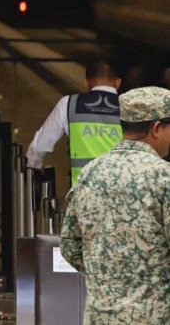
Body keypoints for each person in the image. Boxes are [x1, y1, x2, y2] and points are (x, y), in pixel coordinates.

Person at [59, 87, 170, 325]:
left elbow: (69, 245)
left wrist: (108, 277)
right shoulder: (164, 177)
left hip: (100, 316)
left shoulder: (90, 173)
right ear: (156, 128)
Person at [25, 59, 122, 184]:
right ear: (118, 82)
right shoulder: (130, 107)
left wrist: (34, 166)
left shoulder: (69, 104)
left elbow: (39, 146)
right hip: (121, 189)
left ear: (85, 82)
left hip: (82, 190)